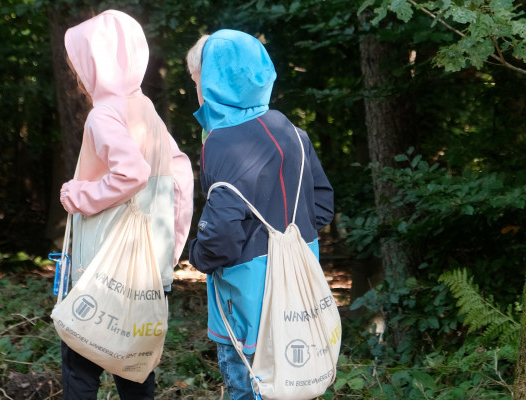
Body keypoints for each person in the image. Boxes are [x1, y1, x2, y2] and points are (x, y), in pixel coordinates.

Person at [186, 30, 334, 400]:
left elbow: (220, 236)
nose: (197, 90)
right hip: (300, 298)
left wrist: (196, 255)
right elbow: (323, 207)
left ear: (214, 81)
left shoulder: (221, 141)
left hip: (248, 308)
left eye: (197, 80)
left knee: (249, 386)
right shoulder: (293, 131)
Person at [58, 10, 194, 400]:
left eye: (79, 62)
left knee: (81, 364)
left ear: (93, 63)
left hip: (99, 272)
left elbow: (130, 173)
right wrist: (170, 251)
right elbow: (180, 175)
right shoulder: (146, 109)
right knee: (135, 368)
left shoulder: (103, 115)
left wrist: (76, 195)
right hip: (146, 271)